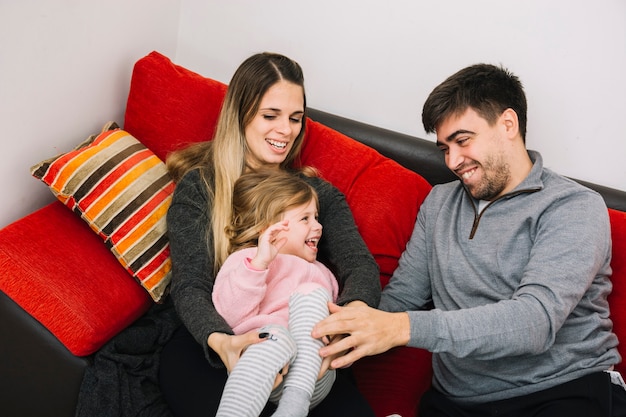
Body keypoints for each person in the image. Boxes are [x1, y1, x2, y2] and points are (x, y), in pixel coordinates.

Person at [312, 63, 626, 417]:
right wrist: (343, 327)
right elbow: (403, 298)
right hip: (456, 403)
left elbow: (535, 321)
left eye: (463, 141)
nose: (453, 161)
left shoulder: (572, 206)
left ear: (508, 124)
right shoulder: (440, 203)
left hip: (562, 391)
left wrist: (400, 328)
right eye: (444, 148)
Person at [159, 52, 380, 417]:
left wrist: (342, 327)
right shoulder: (202, 189)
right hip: (213, 342)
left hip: (302, 346)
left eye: (295, 118)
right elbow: (189, 285)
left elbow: (359, 267)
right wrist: (224, 343)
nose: (285, 131)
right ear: (240, 115)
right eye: (270, 116)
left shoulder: (316, 194)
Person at [214, 170, 338, 417]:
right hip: (262, 370)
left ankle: (293, 406)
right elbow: (228, 315)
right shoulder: (247, 260)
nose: (318, 226)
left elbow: (336, 320)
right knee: (273, 336)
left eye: (316, 217)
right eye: (305, 219)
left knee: (312, 293)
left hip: (313, 375)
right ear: (269, 228)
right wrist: (259, 265)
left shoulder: (322, 272)